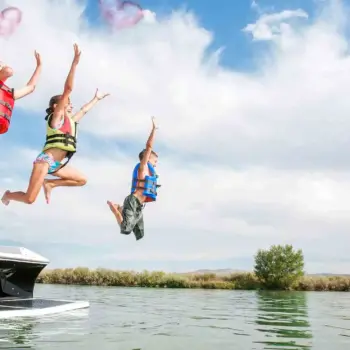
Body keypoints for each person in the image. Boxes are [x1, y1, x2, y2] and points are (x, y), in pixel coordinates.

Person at [1, 44, 109, 206]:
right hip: (45, 161)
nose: (71, 105)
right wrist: (74, 64)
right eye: (68, 103)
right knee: (29, 199)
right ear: (56, 106)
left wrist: (97, 99)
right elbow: (68, 89)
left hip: (57, 165)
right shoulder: (56, 117)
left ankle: (50, 184)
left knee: (82, 180)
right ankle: (8, 195)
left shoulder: (70, 121)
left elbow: (84, 110)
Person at [107, 117, 160, 241]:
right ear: (147, 159)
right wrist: (154, 130)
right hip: (133, 201)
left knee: (140, 234)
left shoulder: (149, 171)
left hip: (139, 205)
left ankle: (121, 209)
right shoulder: (143, 167)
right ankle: (116, 210)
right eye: (155, 161)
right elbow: (149, 147)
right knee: (126, 229)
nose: (156, 164)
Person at [0, 50, 42, 134]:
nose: (4, 66)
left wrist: (39, 66)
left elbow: (30, 87)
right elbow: (8, 71)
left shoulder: (9, 93)